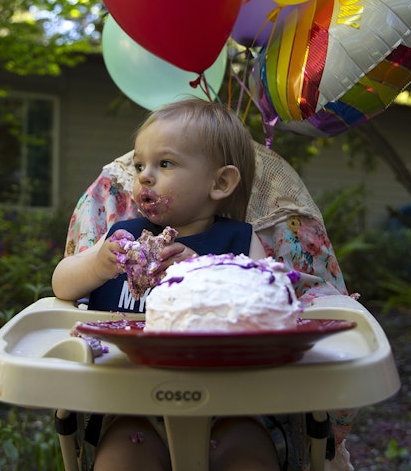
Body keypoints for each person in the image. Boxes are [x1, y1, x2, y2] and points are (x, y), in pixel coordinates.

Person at [52, 98, 281, 471]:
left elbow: (271, 299)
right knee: (121, 459)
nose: (143, 175)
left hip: (232, 402)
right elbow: (62, 284)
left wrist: (206, 272)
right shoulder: (123, 236)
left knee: (250, 455)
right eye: (140, 164)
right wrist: (97, 265)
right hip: (128, 402)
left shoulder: (239, 243)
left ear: (220, 182)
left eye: (165, 164)